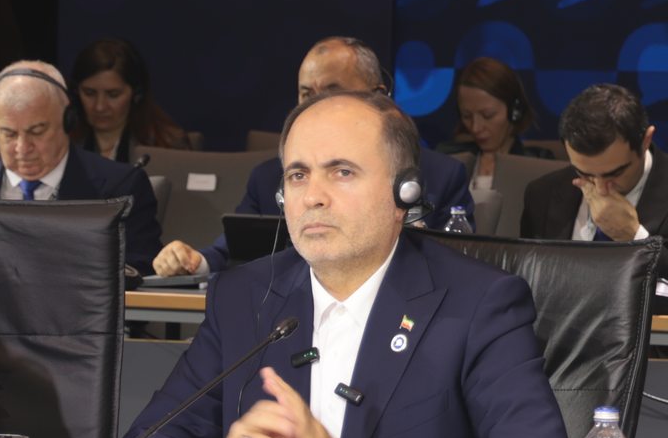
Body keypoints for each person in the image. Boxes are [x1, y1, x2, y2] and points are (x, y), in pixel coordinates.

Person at [115, 90, 573, 438]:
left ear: (405, 194)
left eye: (342, 172)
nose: (313, 196)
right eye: (298, 175)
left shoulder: (478, 303)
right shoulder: (243, 297)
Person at [151, 36, 473, 277]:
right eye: (306, 93)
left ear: (377, 94)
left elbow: (457, 270)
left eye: (332, 91)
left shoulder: (439, 175)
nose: (315, 106)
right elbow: (233, 251)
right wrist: (193, 261)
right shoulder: (268, 178)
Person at [0, 61, 163, 272]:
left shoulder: (120, 189)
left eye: (37, 132)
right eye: (9, 134)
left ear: (68, 121)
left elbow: (141, 270)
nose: (22, 148)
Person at [520, 83, 668, 245]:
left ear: (645, 141)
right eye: (585, 174)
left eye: (615, 173)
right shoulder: (541, 195)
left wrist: (634, 236)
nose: (600, 189)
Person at [441, 57, 556, 190]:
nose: (475, 128)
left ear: (515, 111)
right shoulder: (446, 158)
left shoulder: (539, 163)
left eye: (487, 115)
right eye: (467, 116)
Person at [67, 37, 189, 162]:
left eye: (113, 95)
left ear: (137, 94)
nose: (100, 106)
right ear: (76, 92)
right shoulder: (62, 142)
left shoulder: (168, 145)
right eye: (89, 93)